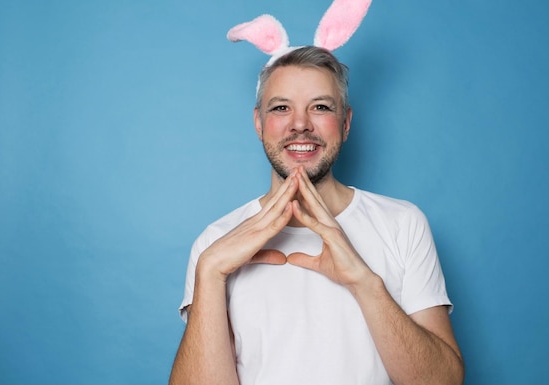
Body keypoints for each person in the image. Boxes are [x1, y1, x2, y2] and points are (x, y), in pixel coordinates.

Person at [169, 46, 464, 385]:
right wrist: (210, 272)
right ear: (259, 123)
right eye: (281, 108)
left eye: (320, 107)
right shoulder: (215, 243)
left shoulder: (403, 224)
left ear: (346, 122)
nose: (300, 125)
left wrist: (364, 282)